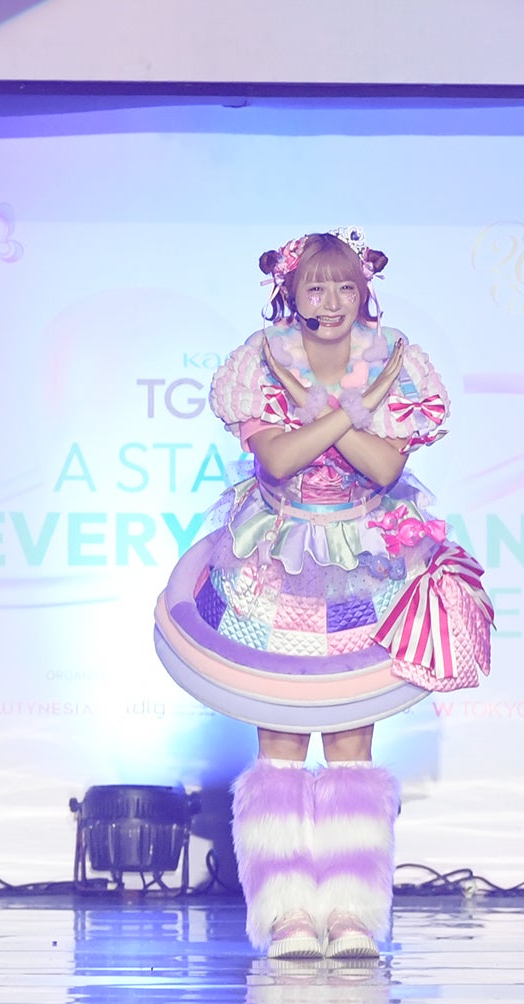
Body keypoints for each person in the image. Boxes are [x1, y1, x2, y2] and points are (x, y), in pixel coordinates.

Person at [154, 227, 492, 959]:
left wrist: (327, 417)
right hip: (276, 558)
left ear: (364, 290)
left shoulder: (397, 360)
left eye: (345, 286)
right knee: (279, 735)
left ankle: (351, 913)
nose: (332, 301)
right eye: (316, 286)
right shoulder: (260, 360)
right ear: (291, 292)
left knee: (350, 738)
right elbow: (277, 461)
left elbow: (382, 470)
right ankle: (286, 915)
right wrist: (350, 412)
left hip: (363, 560)